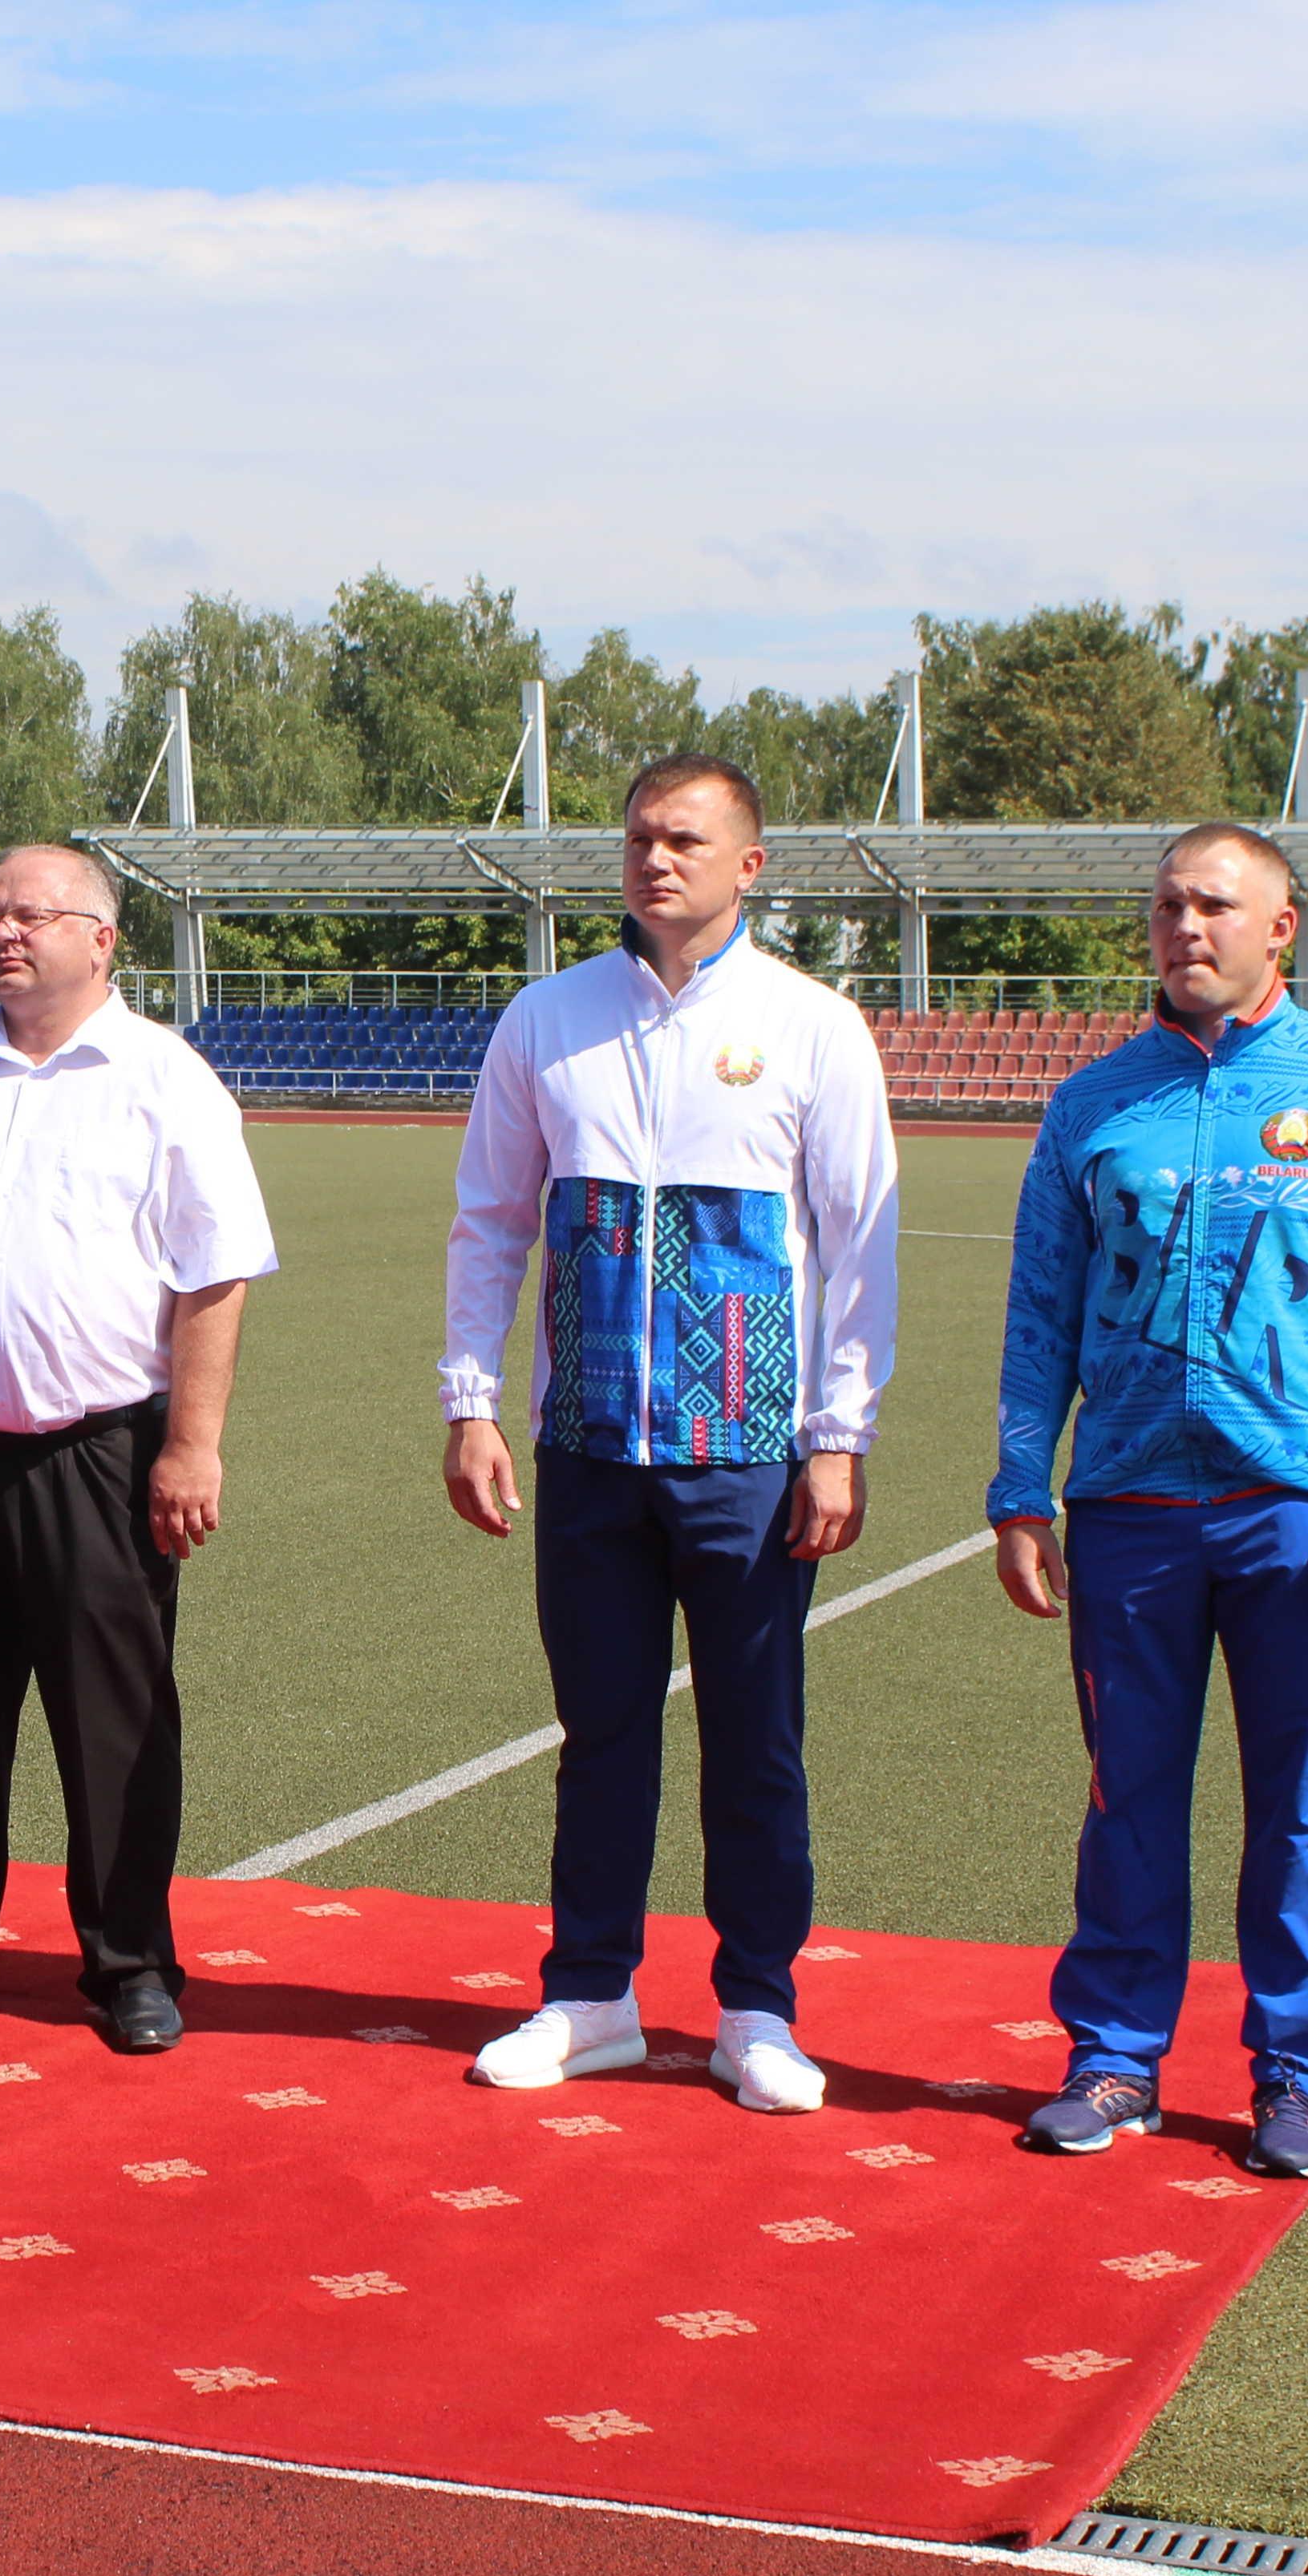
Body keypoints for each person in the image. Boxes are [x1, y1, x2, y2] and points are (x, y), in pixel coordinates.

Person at [991, 822, 1308, 2180]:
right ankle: (1117, 2060)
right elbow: (1039, 1311)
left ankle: (1294, 2078)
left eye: (1214, 904)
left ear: (1280, 927)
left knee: (1297, 1801)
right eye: (1167, 906)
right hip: (1129, 1505)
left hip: (1299, 1512)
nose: (1185, 927)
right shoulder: (1093, 1106)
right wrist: (1025, 1486)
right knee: (1126, 1793)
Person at [439, 754, 898, 2108]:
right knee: (602, 1733)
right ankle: (590, 1995)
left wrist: (839, 1432)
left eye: (688, 839)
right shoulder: (548, 1017)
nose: (657, 859)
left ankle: (759, 2006)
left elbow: (860, 1244)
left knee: (755, 1738)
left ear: (751, 866)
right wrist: (473, 1401)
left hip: (750, 1454)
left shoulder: (812, 1027)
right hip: (588, 1442)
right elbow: (493, 1220)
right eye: (641, 837)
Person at [0, 847, 279, 2055]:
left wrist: (193, 1445)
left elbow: (216, 1274)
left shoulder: (163, 1081)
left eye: (32, 915)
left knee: (113, 1721)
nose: (4, 933)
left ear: (101, 939)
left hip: (104, 1456)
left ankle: (130, 1960)